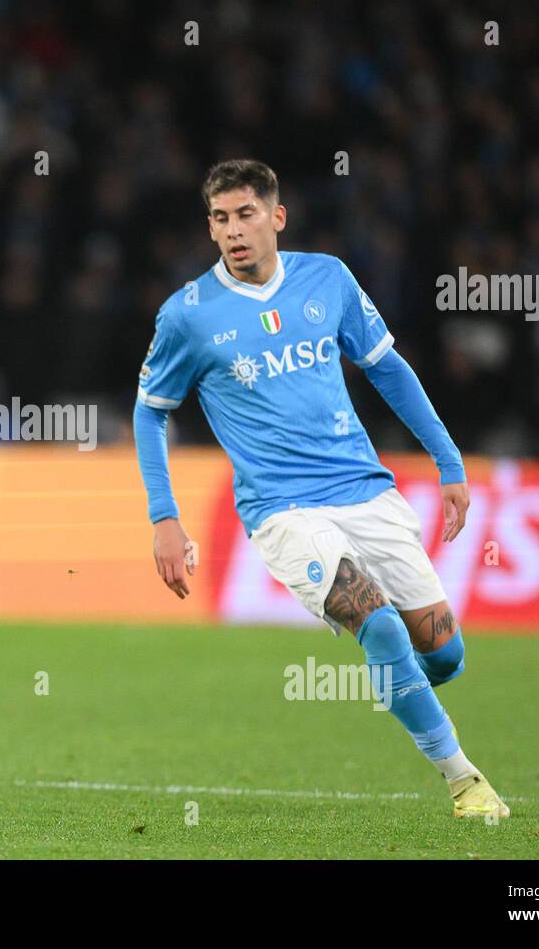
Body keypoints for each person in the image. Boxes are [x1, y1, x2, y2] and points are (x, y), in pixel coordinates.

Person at [133, 159, 509, 820]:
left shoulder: (327, 279)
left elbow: (386, 368)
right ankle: (463, 781)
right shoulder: (188, 315)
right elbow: (149, 409)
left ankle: (400, 688)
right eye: (220, 219)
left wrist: (449, 463)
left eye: (246, 214)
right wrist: (165, 516)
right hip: (282, 510)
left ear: (277, 216)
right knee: (381, 626)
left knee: (444, 654)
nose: (233, 232)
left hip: (364, 489)